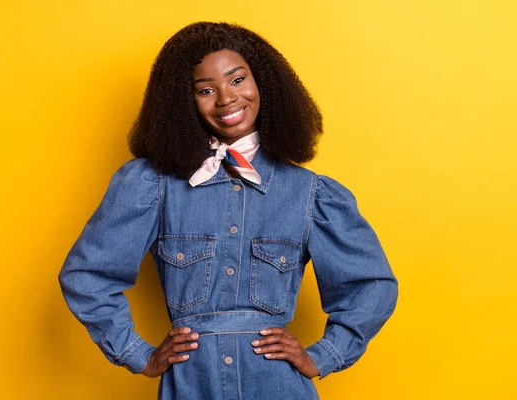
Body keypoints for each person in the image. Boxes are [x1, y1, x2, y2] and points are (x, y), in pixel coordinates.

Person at [59, 21, 398, 399]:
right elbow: (87, 275)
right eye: (206, 90)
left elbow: (372, 286)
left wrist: (324, 356)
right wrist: (137, 354)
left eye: (237, 80)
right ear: (183, 102)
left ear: (263, 83)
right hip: (191, 385)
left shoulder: (310, 194)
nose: (225, 99)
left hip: (280, 387)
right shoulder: (150, 185)